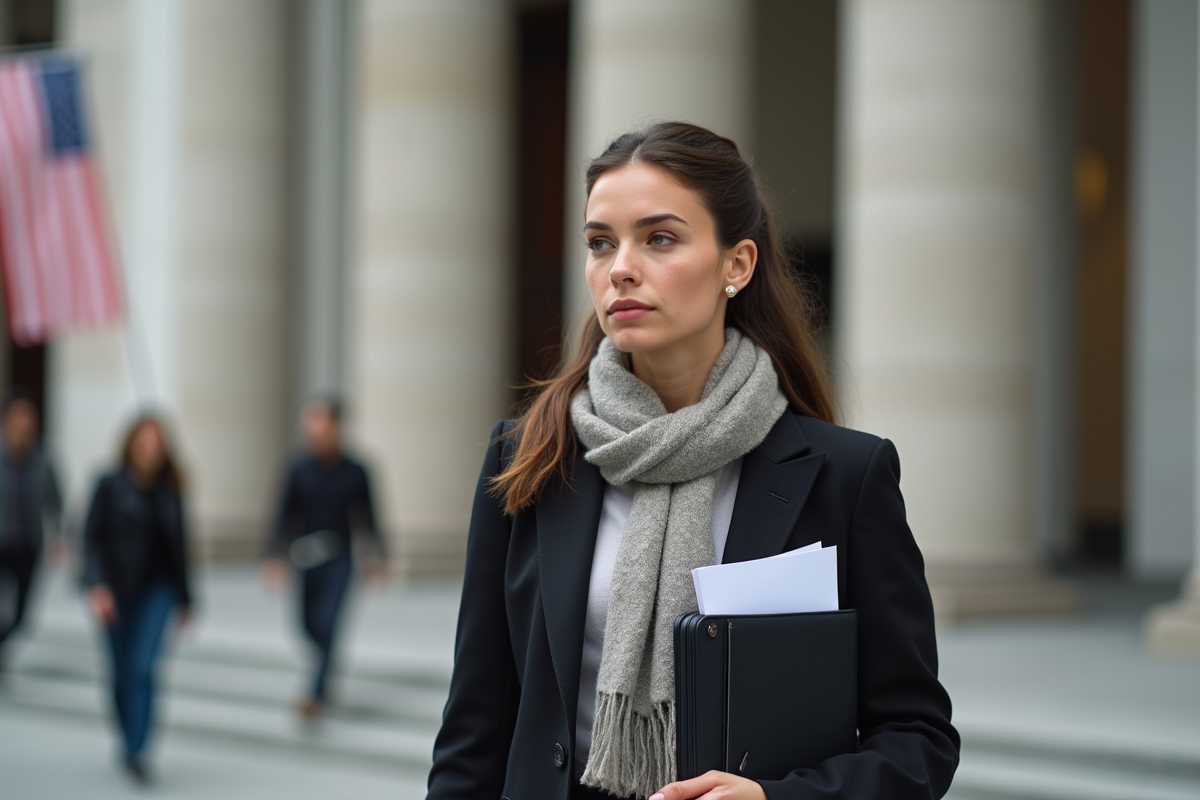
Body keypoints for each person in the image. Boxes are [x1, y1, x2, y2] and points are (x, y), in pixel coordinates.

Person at [427, 122, 959, 800]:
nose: (620, 267)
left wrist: (774, 798)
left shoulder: (845, 477)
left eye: (660, 238)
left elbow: (917, 739)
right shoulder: (531, 458)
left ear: (737, 265)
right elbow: (474, 732)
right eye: (600, 243)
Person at [82, 414, 193, 783]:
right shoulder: (109, 485)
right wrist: (97, 585)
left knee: (143, 668)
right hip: (116, 590)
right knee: (119, 671)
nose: (150, 450)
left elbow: (181, 547)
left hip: (158, 590)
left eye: (157, 444)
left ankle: (138, 750)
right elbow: (91, 538)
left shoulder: (171, 488)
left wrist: (187, 599)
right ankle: (127, 732)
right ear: (130, 445)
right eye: (144, 442)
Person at [263, 398, 385, 720]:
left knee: (328, 621)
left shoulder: (356, 470)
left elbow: (369, 515)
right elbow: (283, 514)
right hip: (305, 557)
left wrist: (377, 555)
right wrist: (274, 556)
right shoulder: (298, 468)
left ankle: (315, 694)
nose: (314, 431)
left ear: (335, 427)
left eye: (321, 423)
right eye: (310, 423)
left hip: (339, 557)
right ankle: (325, 669)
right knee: (306, 624)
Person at [0, 390, 63, 670]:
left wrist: (58, 536)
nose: (23, 425)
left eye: (28, 419)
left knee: (22, 615)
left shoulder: (43, 461)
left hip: (28, 545)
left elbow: (55, 502)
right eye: (18, 418)